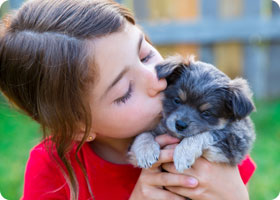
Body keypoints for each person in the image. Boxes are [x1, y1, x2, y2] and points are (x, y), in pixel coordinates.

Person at [0, 0, 256, 199]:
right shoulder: (51, 169)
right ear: (78, 126)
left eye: (145, 55)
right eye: (124, 92)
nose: (156, 80)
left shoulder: (212, 149)